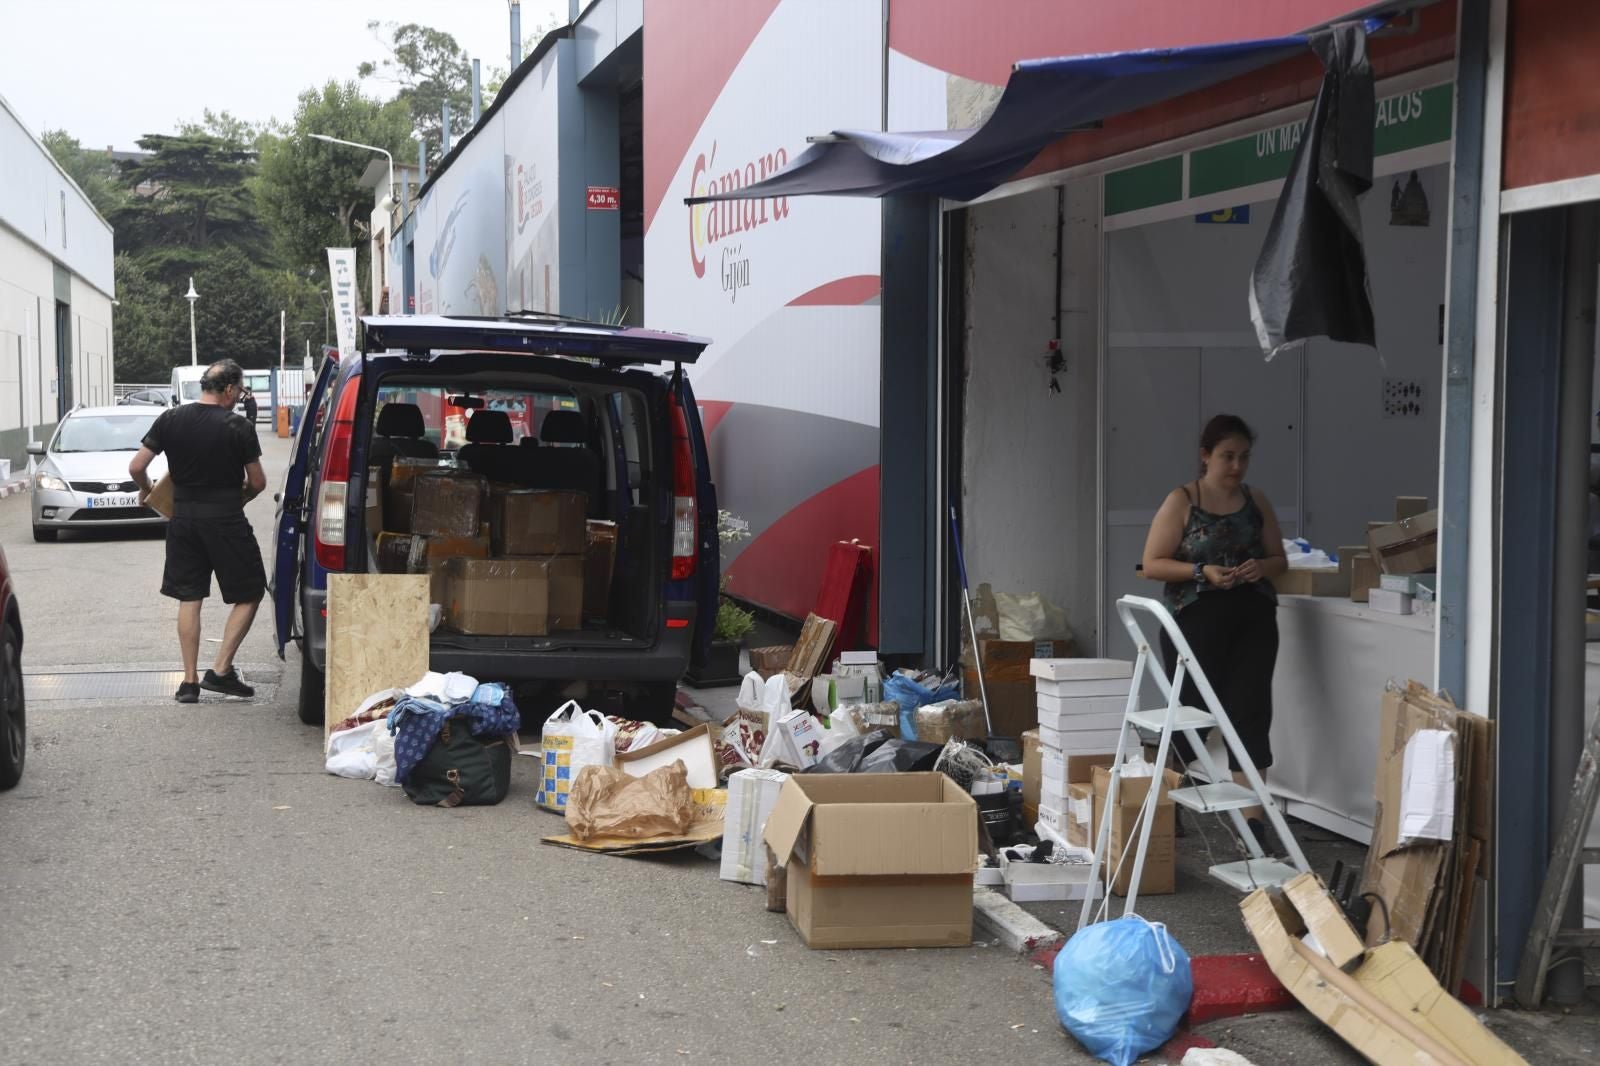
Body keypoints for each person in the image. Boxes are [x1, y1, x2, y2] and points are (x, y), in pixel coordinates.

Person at [1141, 414, 1287, 842]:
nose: (1237, 466)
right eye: (1227, 456)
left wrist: (1261, 566)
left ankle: (1253, 819)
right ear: (1206, 456)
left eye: (1244, 457)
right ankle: (1165, 800)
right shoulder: (1182, 500)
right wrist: (1202, 570)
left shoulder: (1256, 500)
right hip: (1195, 617)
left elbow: (1280, 560)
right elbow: (1152, 563)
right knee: (1191, 712)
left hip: (1253, 617)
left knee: (1251, 710)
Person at [129, 359, 269, 703]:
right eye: (239, 390)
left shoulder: (171, 419)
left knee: (189, 597)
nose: (239, 396)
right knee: (250, 592)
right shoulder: (238, 427)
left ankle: (189, 682)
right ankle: (220, 670)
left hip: (184, 520)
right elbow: (258, 482)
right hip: (225, 520)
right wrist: (242, 498)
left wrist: (148, 490)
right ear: (229, 389)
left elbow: (136, 466)